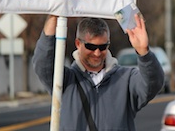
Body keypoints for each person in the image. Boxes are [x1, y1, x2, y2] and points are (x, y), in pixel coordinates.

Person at [33, 14, 164, 131]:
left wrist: (144, 52)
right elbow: (43, 64)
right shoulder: (65, 80)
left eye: (102, 47)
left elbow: (153, 83)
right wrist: (54, 15)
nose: (97, 53)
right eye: (91, 47)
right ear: (78, 43)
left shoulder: (126, 79)